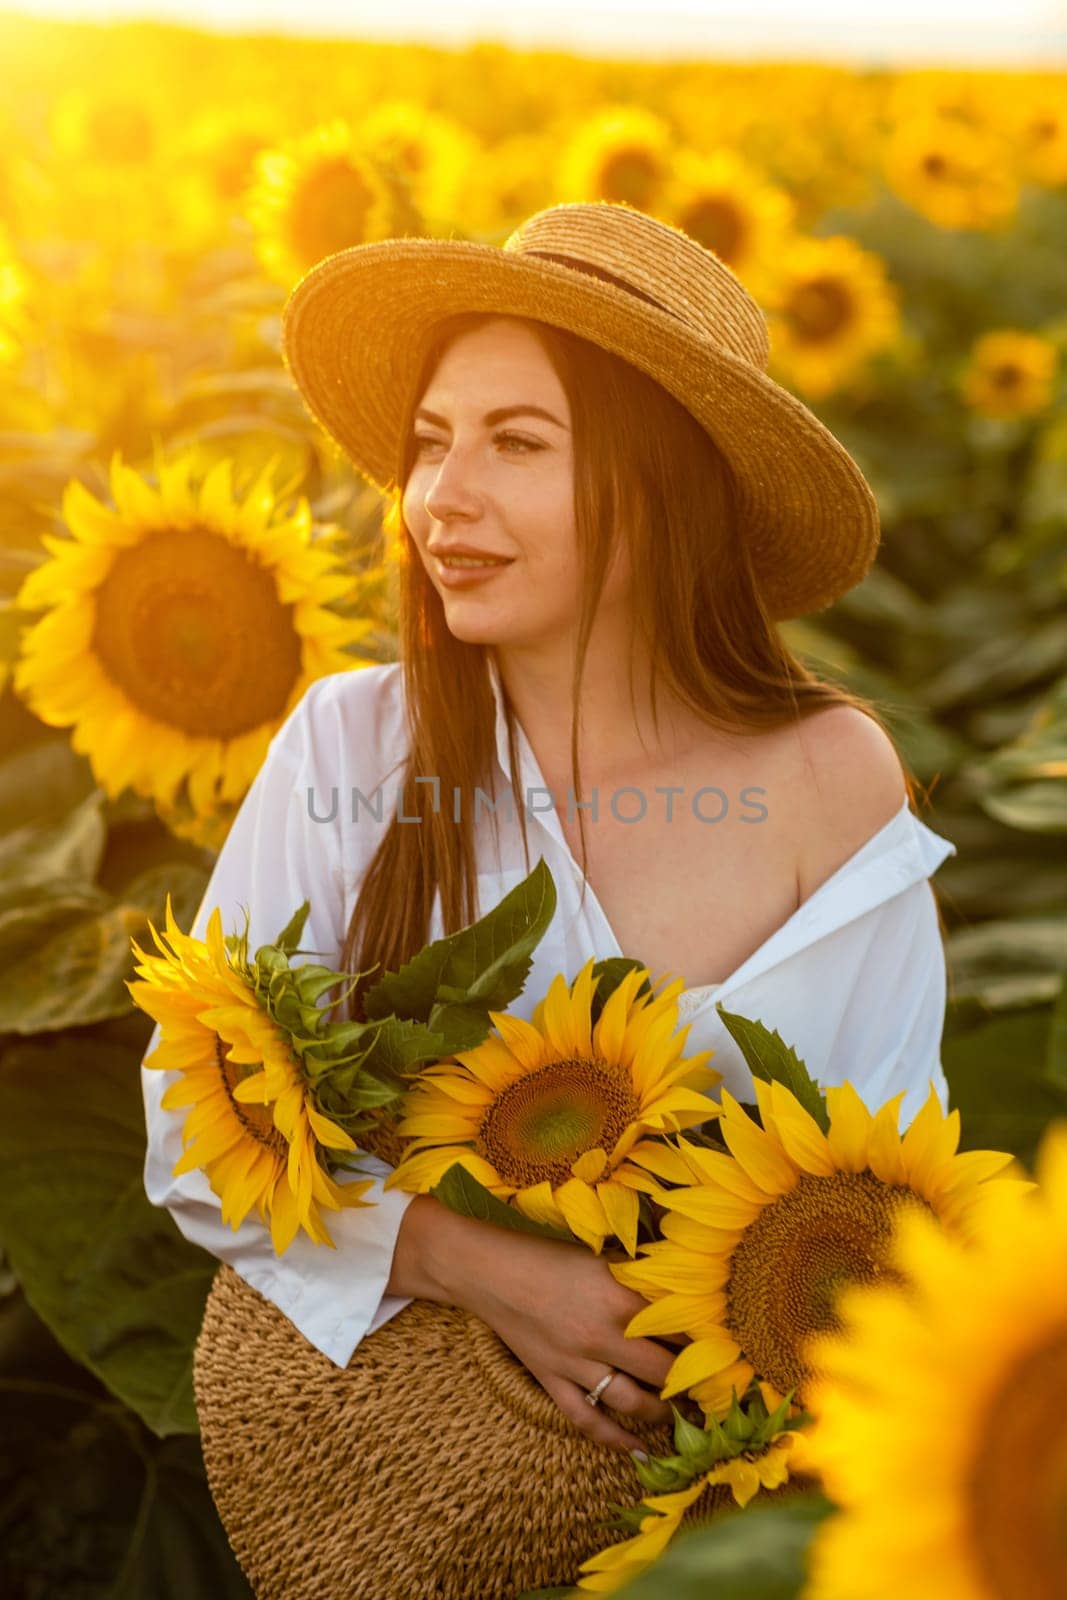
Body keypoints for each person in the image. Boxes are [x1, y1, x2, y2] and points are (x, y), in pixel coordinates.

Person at [141, 200, 957, 1459]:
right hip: (417, 1490)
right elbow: (195, 1140)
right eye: (428, 442)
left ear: (662, 480)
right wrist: (471, 1264)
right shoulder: (353, 746)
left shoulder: (826, 774)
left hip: (737, 1491)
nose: (439, 499)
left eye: (516, 443)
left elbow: (890, 1203)